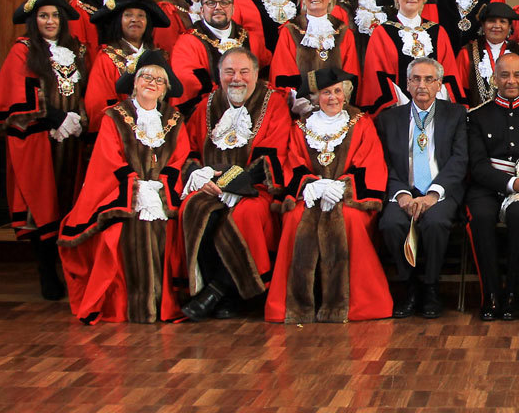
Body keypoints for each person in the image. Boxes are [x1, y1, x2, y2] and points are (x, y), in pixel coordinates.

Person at [57, 51, 192, 323]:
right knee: (119, 229)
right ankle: (126, 305)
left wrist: (159, 188)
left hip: (163, 193)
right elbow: (108, 158)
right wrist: (136, 188)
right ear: (134, 82)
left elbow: (180, 157)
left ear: (165, 89)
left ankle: (160, 303)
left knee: (173, 226)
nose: (152, 83)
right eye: (146, 77)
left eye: (159, 80)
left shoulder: (174, 118)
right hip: (122, 192)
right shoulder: (114, 117)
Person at [265, 67, 392, 323]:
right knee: (294, 219)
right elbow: (292, 162)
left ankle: (355, 304)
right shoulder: (300, 127)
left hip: (349, 199)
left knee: (350, 220)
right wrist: (311, 185)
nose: (333, 97)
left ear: (345, 94)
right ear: (315, 97)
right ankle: (296, 306)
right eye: (325, 93)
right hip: (311, 195)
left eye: (337, 91)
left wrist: (343, 188)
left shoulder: (362, 123)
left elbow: (371, 163)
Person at [0, 0, 87, 299]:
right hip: (40, 137)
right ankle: (46, 270)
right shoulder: (23, 50)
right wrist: (56, 118)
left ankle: (70, 268)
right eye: (44, 16)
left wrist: (79, 117)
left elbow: (87, 88)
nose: (50, 21)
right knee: (42, 203)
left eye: (55, 16)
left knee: (70, 199)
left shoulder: (76, 49)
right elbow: (19, 91)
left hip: (73, 139)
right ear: (34, 21)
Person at [176, 47, 292, 320]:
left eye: (243, 72)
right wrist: (200, 176)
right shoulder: (206, 105)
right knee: (192, 209)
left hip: (255, 189)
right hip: (209, 186)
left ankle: (222, 293)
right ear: (219, 75)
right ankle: (212, 290)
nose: (236, 78)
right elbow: (188, 149)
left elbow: (272, 154)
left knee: (246, 215)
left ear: (256, 74)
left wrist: (232, 183)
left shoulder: (273, 103)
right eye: (229, 72)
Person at [375, 58, 468, 319]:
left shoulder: (456, 114)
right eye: (416, 79)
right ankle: (409, 287)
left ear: (439, 84)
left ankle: (431, 288)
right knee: (391, 224)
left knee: (435, 223)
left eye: (429, 79)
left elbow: (460, 159)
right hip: (402, 190)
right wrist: (402, 194)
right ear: (407, 84)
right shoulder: (389, 118)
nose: (422, 85)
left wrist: (433, 194)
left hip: (440, 191)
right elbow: (383, 163)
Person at [465, 52, 519, 321]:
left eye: (517, 75)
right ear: (494, 79)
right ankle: (490, 295)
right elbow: (477, 166)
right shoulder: (477, 116)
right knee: (480, 217)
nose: (511, 81)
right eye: (504, 75)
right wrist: (513, 182)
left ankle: (515, 295)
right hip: (487, 186)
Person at [359, 0, 463, 112]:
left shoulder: (438, 32)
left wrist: (431, 106)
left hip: (435, 110)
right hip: (398, 112)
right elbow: (376, 76)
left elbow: (449, 73)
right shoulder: (382, 32)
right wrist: (407, 108)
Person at [170, 0, 260, 119]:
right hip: (208, 112)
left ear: (233, 8)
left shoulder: (251, 38)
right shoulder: (188, 42)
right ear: (201, 10)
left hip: (251, 110)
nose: (218, 7)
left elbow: (262, 73)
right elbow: (189, 82)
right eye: (211, 3)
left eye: (224, 3)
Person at [269, 0, 360, 102]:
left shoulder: (344, 32)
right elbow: (283, 72)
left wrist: (337, 100)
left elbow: (351, 74)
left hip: (336, 104)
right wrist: (300, 102)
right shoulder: (290, 31)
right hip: (299, 105)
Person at [84, 0, 169, 132]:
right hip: (120, 131)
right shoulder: (107, 58)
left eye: (141, 16)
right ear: (119, 21)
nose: (135, 20)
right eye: (128, 15)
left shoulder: (160, 57)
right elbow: (98, 104)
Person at [457, 2, 519, 108]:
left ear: (509, 26)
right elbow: (460, 91)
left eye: (502, 21)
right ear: (483, 25)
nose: (497, 26)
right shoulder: (467, 53)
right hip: (477, 115)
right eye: (491, 21)